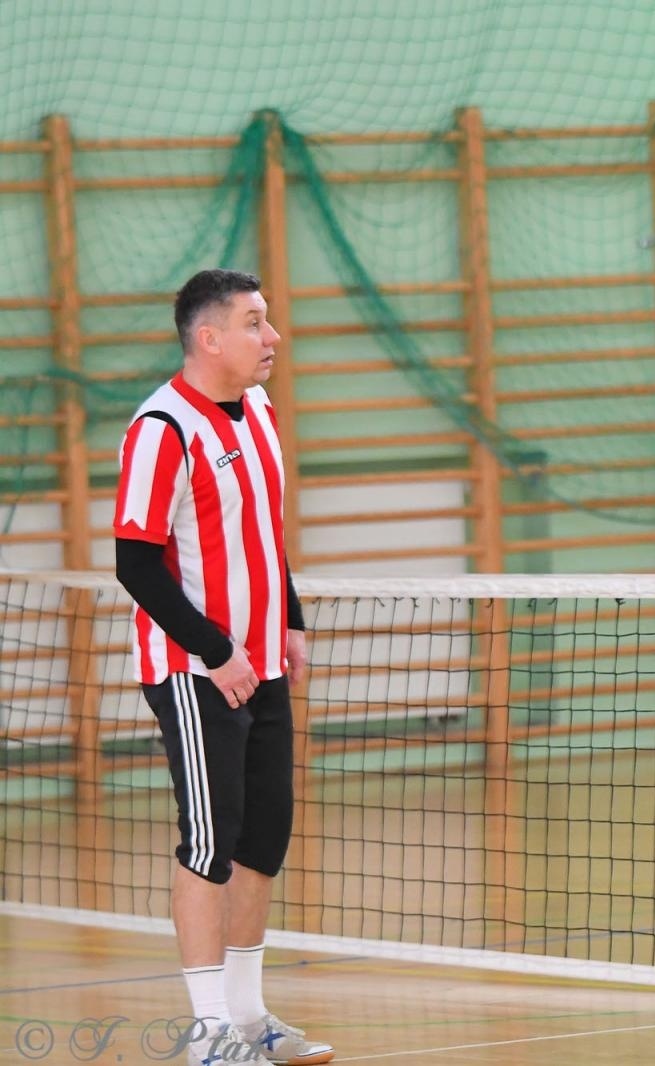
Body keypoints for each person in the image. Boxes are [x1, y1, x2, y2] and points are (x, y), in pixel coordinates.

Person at [114, 269, 334, 1066]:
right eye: (253, 323)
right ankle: (207, 1034)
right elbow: (136, 563)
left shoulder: (261, 413)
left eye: (267, 321)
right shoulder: (162, 428)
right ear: (209, 339)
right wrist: (216, 652)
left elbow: (264, 537)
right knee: (211, 842)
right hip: (195, 669)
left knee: (262, 839)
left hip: (262, 661)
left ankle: (247, 1019)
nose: (271, 337)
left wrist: (291, 621)